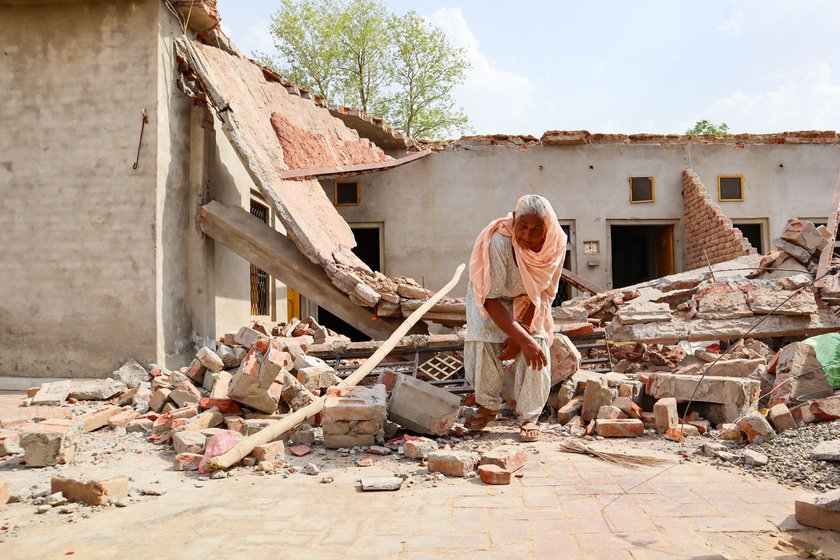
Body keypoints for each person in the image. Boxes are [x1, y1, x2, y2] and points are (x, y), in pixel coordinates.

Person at [463, 194, 567, 442]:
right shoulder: (500, 241)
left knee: (538, 344)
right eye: (522, 226)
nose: (528, 236)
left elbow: (541, 291)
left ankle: (529, 416)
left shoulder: (555, 244)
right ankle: (488, 406)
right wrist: (521, 339)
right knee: (484, 337)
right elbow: (491, 300)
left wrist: (524, 335)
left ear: (547, 228)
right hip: (492, 294)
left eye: (536, 230)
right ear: (514, 219)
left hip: (528, 298)